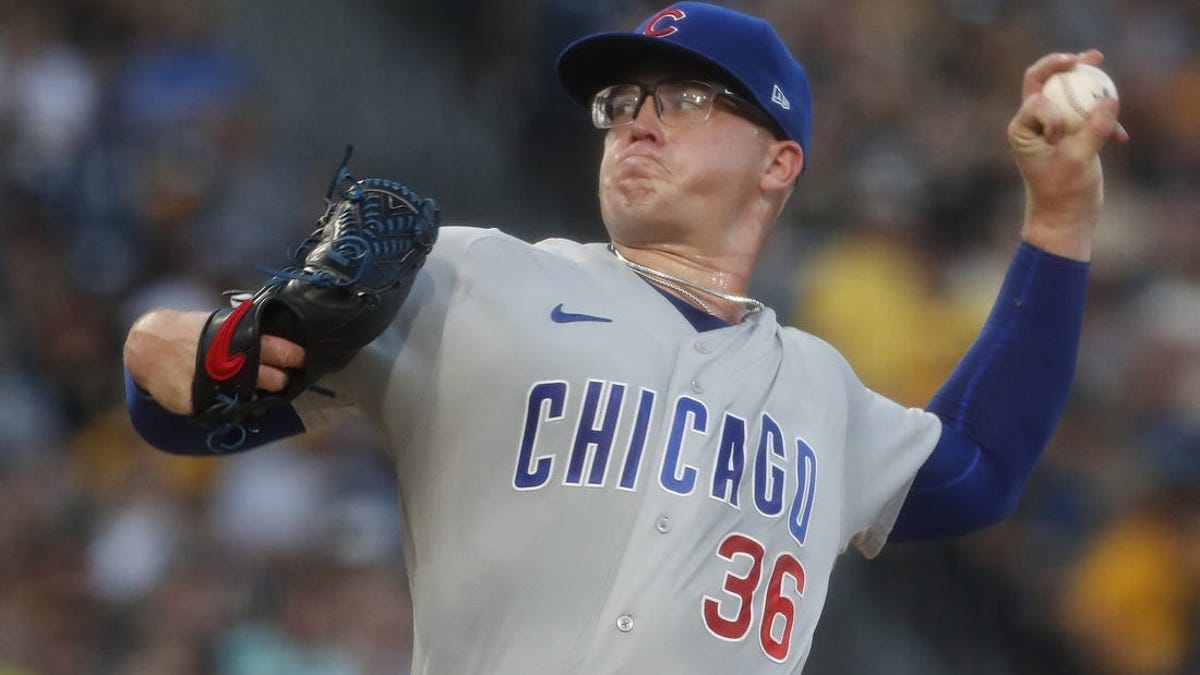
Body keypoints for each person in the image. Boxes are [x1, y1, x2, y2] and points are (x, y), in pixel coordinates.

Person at [122, 2, 1127, 672]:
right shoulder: (473, 277)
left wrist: (1061, 215)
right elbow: (196, 403)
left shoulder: (824, 393)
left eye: (684, 100)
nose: (638, 122)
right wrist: (192, 350)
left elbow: (979, 470)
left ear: (779, 164)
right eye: (624, 102)